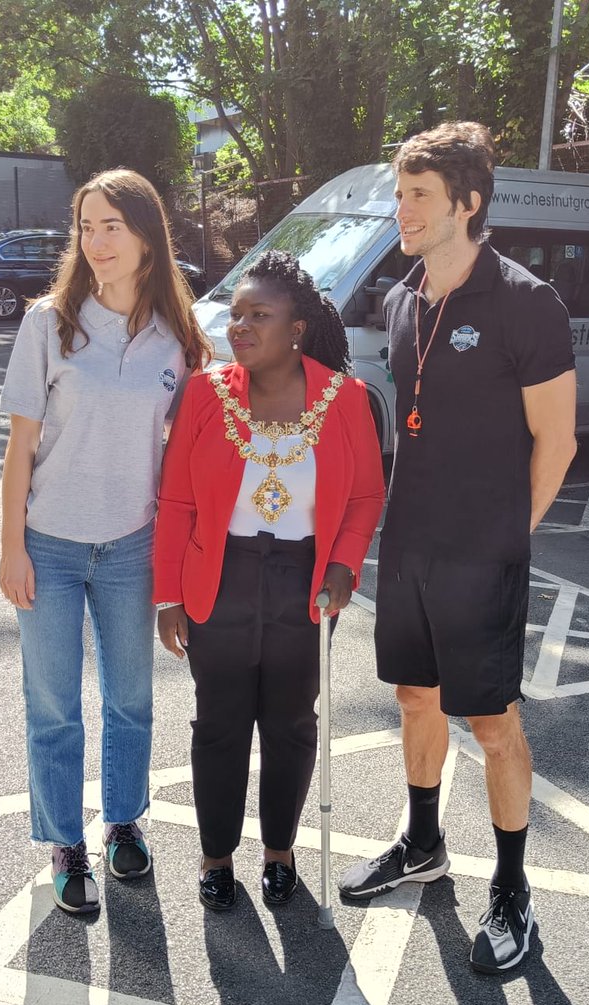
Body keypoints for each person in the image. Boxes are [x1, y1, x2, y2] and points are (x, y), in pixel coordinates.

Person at [337, 123, 578, 975]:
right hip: (410, 545)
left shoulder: (526, 302)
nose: (401, 210)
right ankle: (424, 843)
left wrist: (511, 535)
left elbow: (558, 441)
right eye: (399, 194)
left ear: (468, 204)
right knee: (414, 699)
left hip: (485, 553)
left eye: (419, 196)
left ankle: (513, 891)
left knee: (492, 720)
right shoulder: (404, 302)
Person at [0, 168, 209, 916]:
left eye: (111, 225)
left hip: (132, 549)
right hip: (49, 545)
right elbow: (20, 448)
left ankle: (124, 824)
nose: (95, 241)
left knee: (130, 701)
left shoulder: (176, 339)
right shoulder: (49, 322)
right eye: (86, 226)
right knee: (53, 705)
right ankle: (66, 842)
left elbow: (193, 457)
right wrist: (10, 548)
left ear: (148, 237)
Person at [153, 250, 385, 911]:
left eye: (260, 315)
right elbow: (176, 502)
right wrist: (168, 595)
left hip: (303, 581)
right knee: (219, 725)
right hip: (219, 576)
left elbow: (367, 496)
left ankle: (279, 852)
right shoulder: (205, 393)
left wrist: (343, 563)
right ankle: (215, 856)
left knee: (289, 724)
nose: (241, 327)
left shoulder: (347, 400)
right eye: (236, 315)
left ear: (298, 329)